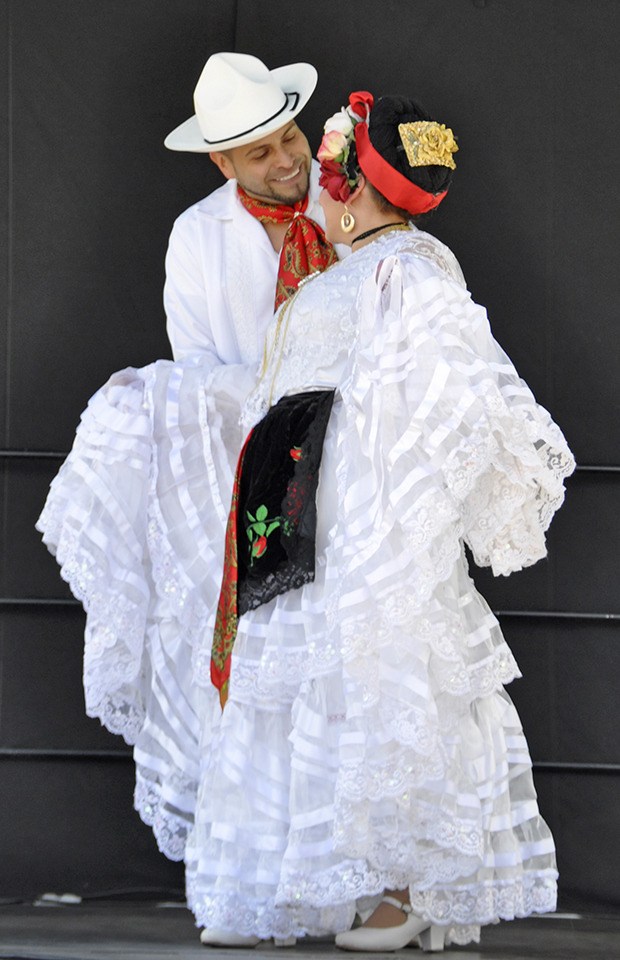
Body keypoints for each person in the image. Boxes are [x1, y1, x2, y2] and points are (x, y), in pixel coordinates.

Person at [37, 87, 575, 951]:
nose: (306, 179)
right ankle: (324, 884)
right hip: (296, 503)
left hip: (360, 514)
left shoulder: (404, 267)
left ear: (354, 195)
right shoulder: (354, 263)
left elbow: (454, 387)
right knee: (311, 689)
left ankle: (412, 889)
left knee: (387, 684)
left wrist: (394, 488)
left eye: (320, 165)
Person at [163, 51, 343, 364]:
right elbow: (196, 369)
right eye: (260, 155)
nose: (286, 160)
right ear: (224, 164)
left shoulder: (355, 195)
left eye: (290, 137)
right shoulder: (194, 235)